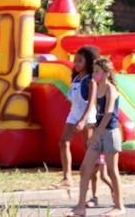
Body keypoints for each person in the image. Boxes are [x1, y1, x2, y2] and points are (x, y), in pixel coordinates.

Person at [68, 57, 124, 216]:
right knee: (85, 168)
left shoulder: (110, 89)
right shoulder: (97, 86)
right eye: (94, 71)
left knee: (112, 171)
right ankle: (80, 207)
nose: (95, 74)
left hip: (110, 133)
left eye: (98, 71)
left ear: (106, 73)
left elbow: (108, 114)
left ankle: (119, 206)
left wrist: (95, 134)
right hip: (99, 132)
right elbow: (96, 112)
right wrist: (87, 124)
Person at [56, 45, 104, 198]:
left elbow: (91, 103)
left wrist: (83, 120)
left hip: (87, 116)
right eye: (75, 61)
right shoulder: (76, 78)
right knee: (63, 142)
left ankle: (93, 181)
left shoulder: (91, 81)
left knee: (89, 149)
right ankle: (67, 177)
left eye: (80, 61)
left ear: (88, 63)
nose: (76, 64)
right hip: (74, 114)